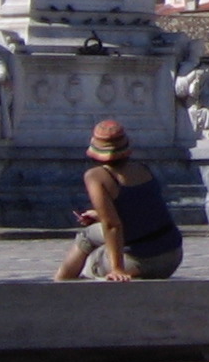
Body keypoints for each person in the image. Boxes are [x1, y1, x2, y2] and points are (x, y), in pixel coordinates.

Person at [54, 120, 184, 282]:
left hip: (141, 262)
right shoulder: (143, 169)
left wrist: (117, 268)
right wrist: (98, 215)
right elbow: (142, 212)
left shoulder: (96, 176)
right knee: (92, 233)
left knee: (88, 247)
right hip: (173, 254)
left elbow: (112, 225)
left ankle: (60, 285)